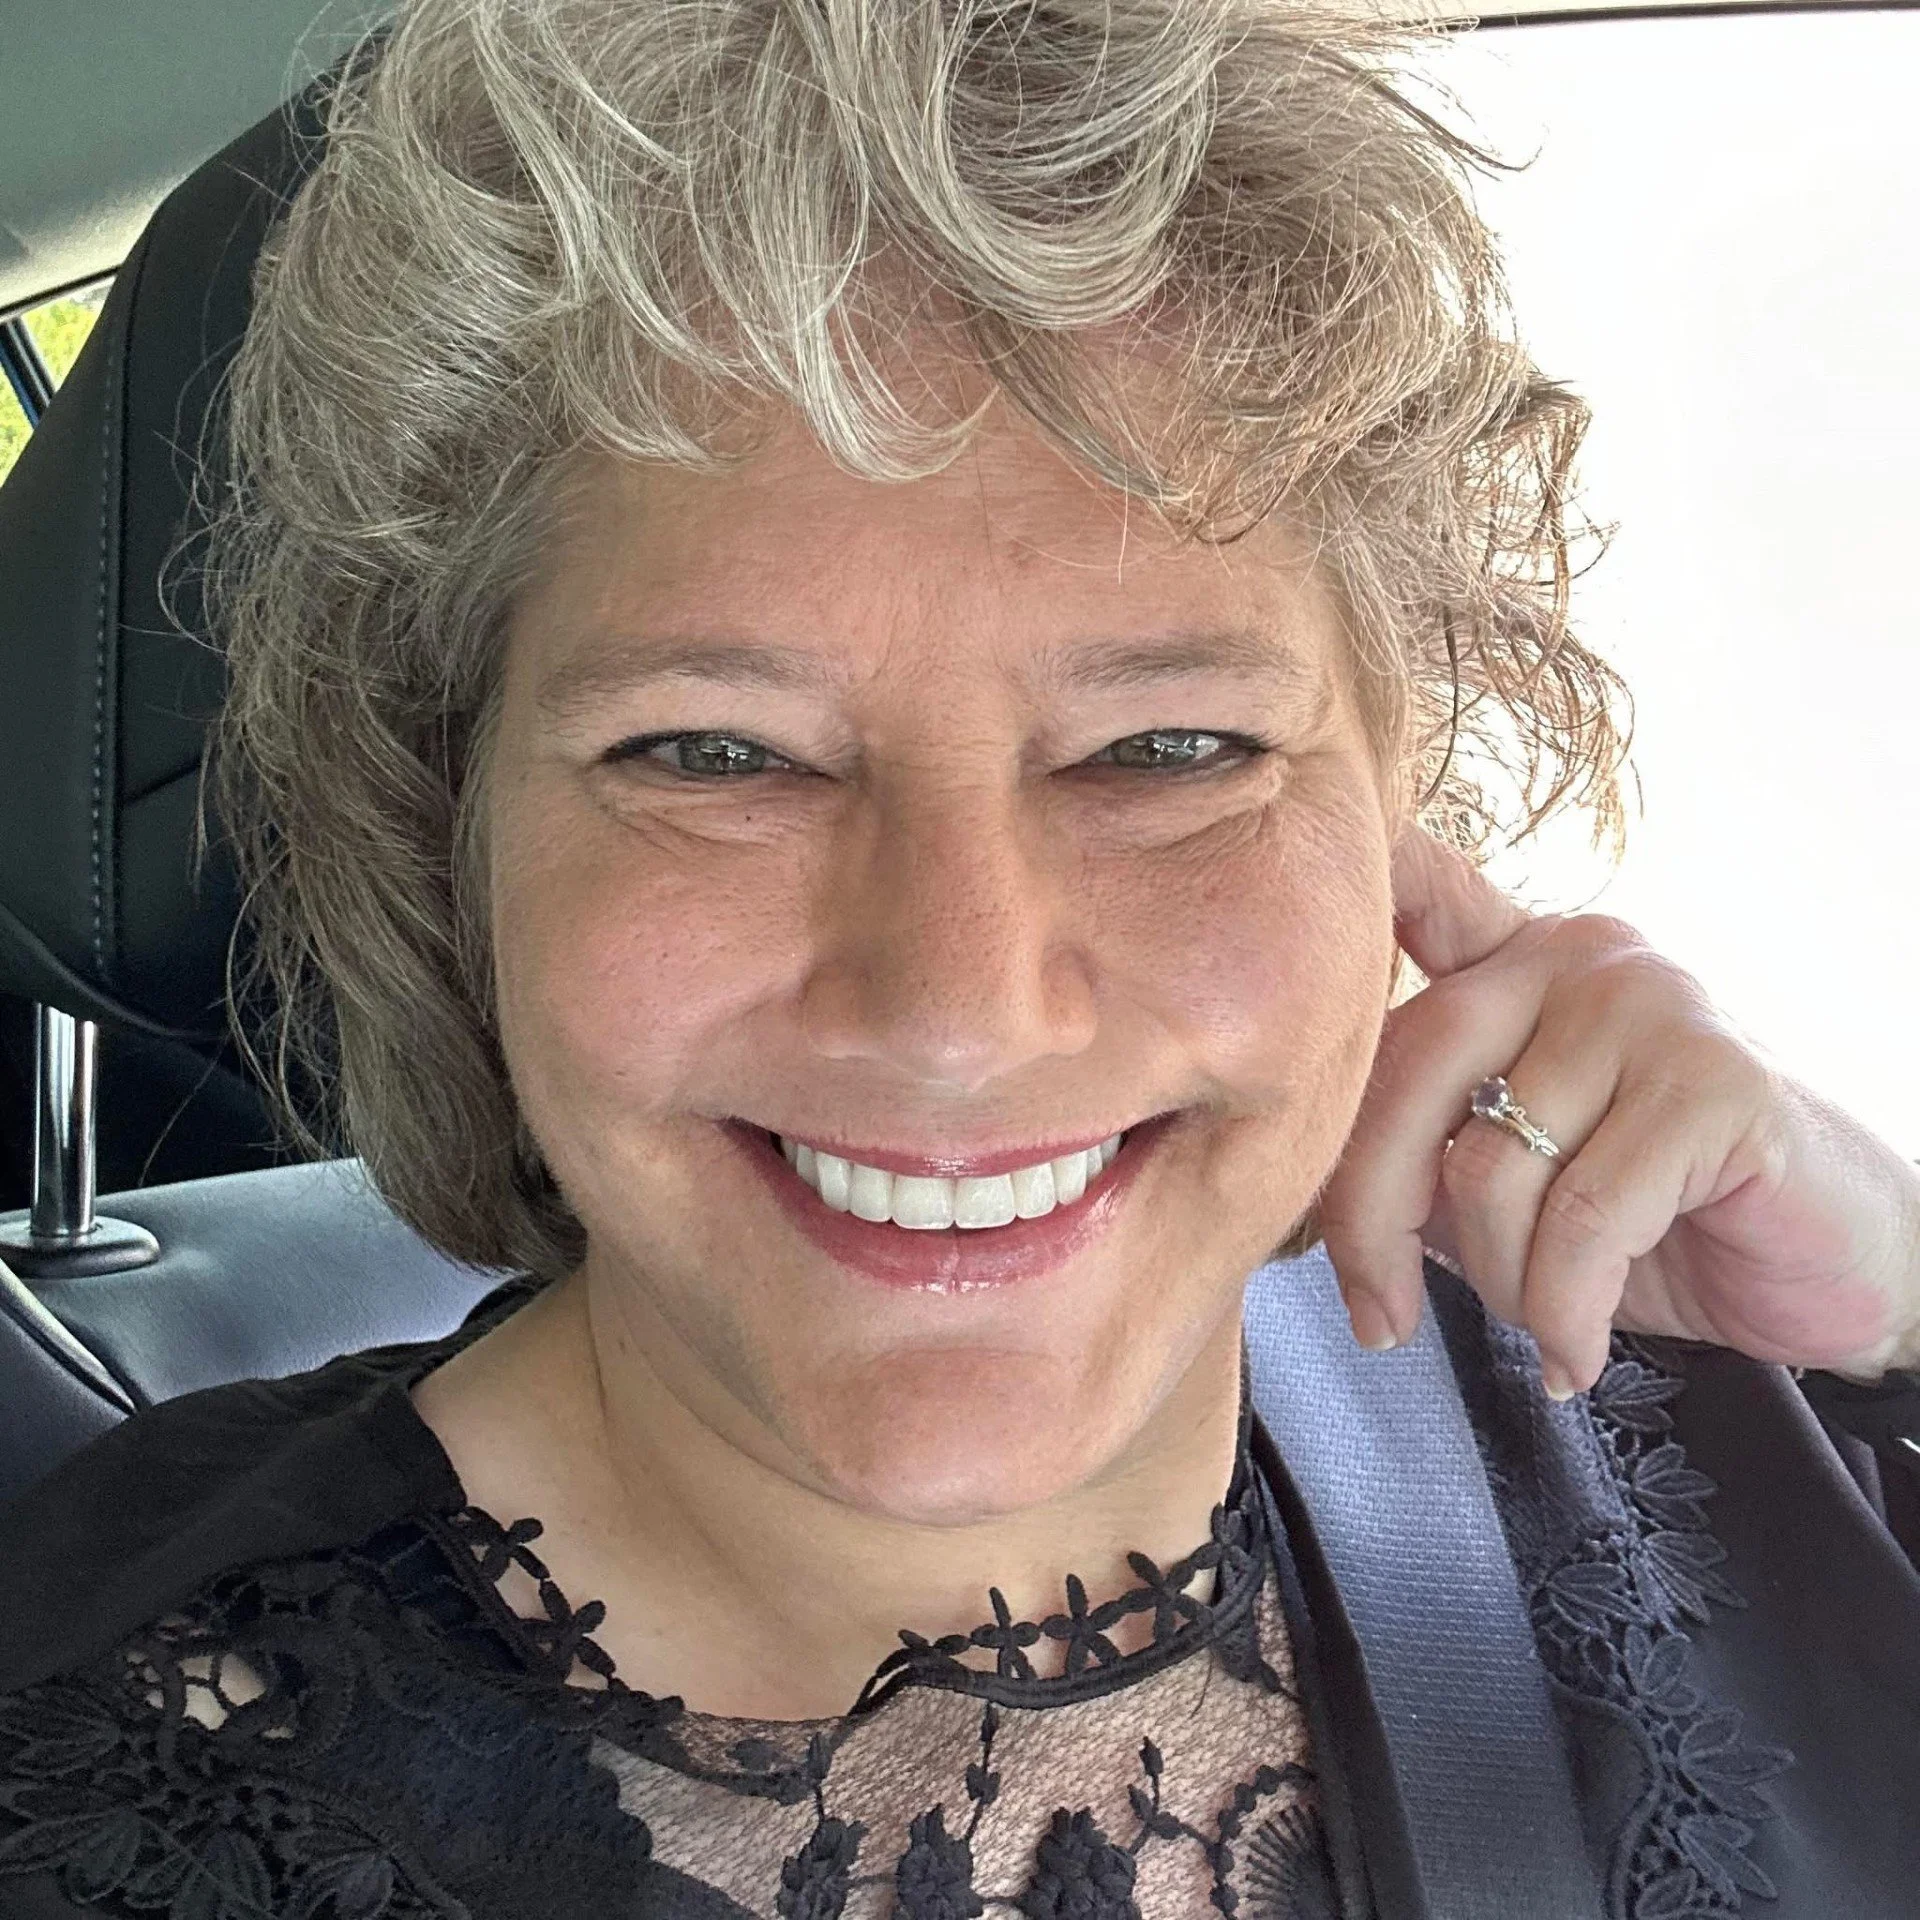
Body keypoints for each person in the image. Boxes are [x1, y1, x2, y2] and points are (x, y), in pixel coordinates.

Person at [1, 0, 1916, 1915]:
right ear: (460, 828)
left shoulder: (1719, 1377)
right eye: (714, 753)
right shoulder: (94, 1775)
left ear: (1400, 816)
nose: (958, 1006)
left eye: (1171, 750)